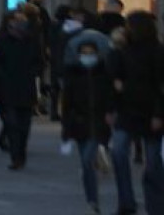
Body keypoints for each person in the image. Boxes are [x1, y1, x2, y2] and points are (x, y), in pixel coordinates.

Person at [107, 10, 164, 215]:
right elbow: (114, 80)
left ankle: (155, 204)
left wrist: (159, 114)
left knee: (153, 162)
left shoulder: (158, 52)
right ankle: (127, 201)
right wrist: (112, 107)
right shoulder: (122, 51)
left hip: (150, 111)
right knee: (119, 153)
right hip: (127, 110)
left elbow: (161, 86)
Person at [61, 36, 115, 214]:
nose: (88, 56)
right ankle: (91, 196)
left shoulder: (104, 75)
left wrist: (110, 112)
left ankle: (93, 199)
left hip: (99, 124)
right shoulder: (73, 76)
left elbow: (110, 98)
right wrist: (66, 132)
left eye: (91, 53)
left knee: (86, 160)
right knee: (86, 163)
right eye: (84, 53)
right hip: (80, 124)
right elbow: (67, 105)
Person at [0, 6, 40, 170]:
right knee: (12, 124)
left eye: (22, 20)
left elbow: (39, 60)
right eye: (16, 20)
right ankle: (15, 156)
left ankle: (21, 152)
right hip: (8, 88)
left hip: (26, 86)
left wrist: (33, 72)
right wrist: (1, 77)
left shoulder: (32, 39)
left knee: (24, 125)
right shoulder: (3, 40)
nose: (20, 24)